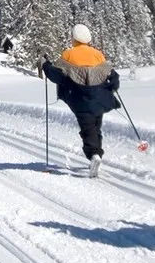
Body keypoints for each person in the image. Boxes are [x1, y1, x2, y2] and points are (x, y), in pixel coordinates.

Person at [41, 25, 121, 177]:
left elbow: (58, 76)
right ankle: (96, 154)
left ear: (74, 38)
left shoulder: (69, 54)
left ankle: (94, 155)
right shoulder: (98, 54)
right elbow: (112, 76)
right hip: (100, 99)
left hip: (80, 99)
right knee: (95, 127)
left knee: (87, 128)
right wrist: (112, 88)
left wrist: (45, 64)